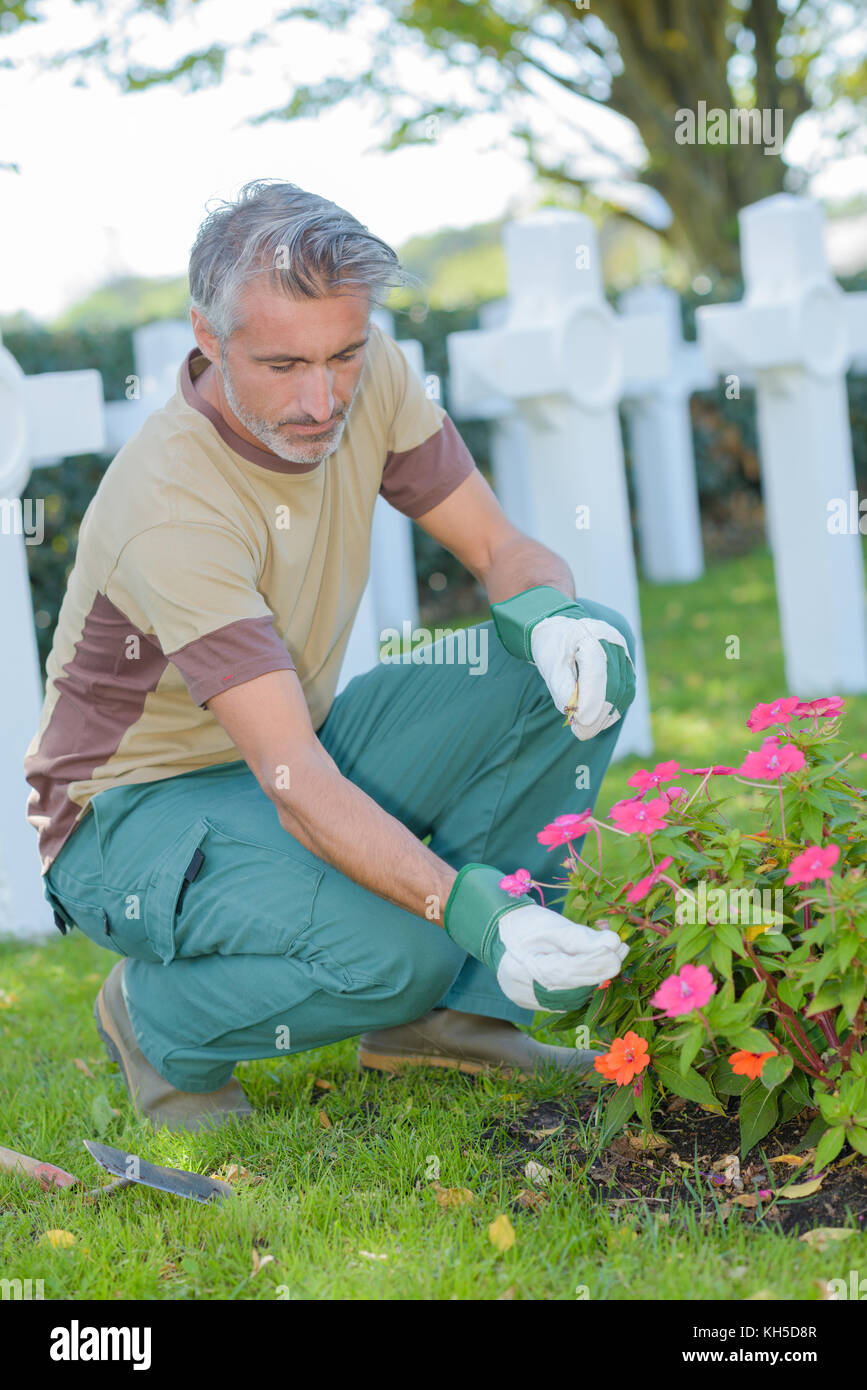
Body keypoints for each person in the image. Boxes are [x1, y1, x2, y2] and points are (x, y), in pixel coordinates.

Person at [24, 180, 636, 1133]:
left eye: (344, 354)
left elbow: (499, 548)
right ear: (207, 338)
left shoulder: (366, 375)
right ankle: (155, 1020)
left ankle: (459, 1018)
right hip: (129, 818)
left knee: (582, 649)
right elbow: (296, 781)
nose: (322, 400)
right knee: (406, 947)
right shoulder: (173, 508)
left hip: (278, 748)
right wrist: (473, 908)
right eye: (282, 365)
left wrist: (548, 612)